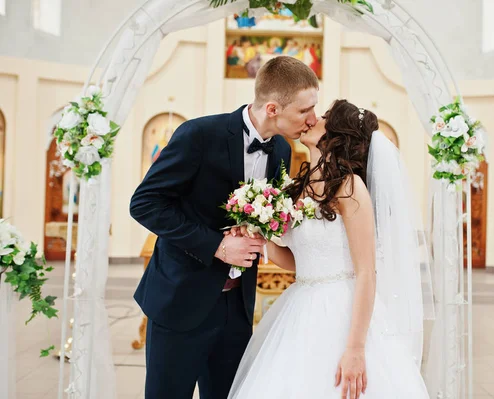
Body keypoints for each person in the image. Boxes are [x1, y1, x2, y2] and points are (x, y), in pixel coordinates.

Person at [129, 56, 319, 399]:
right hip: (181, 301)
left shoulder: (281, 148)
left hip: (237, 309)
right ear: (273, 108)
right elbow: (145, 203)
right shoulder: (199, 135)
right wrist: (216, 245)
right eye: (305, 110)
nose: (313, 119)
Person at [227, 100, 430, 399]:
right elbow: (300, 262)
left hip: (342, 312)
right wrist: (260, 238)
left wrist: (356, 349)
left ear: (337, 134)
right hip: (300, 307)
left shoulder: (349, 188)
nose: (313, 119)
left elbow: (366, 273)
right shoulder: (299, 186)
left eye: (323, 117)